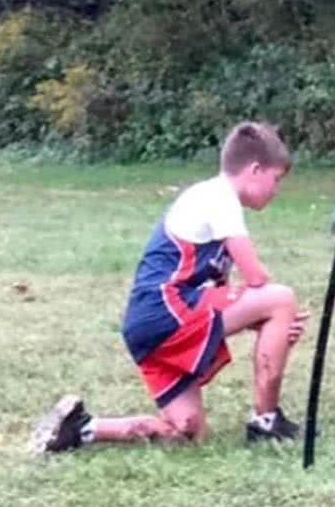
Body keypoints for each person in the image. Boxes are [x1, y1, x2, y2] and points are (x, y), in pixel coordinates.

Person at [31, 121, 309, 454]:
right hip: (167, 312)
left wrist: (265, 324)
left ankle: (81, 429)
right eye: (275, 179)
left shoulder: (208, 197)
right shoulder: (219, 198)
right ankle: (266, 422)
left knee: (187, 432)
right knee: (281, 299)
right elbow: (256, 279)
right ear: (254, 170)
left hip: (146, 325)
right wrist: (276, 317)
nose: (276, 190)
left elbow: (217, 294)